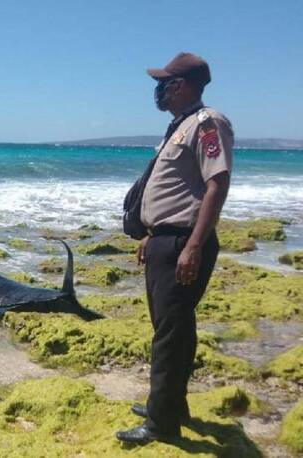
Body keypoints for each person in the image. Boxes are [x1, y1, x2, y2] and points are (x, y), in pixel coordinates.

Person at [116, 52, 234, 444]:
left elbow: (217, 184)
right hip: (168, 240)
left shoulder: (206, 123)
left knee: (168, 333)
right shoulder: (179, 126)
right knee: (175, 329)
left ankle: (160, 423)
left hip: (184, 241)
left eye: (163, 82)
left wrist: (193, 246)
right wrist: (152, 234)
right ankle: (171, 405)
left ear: (180, 85)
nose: (159, 89)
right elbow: (179, 191)